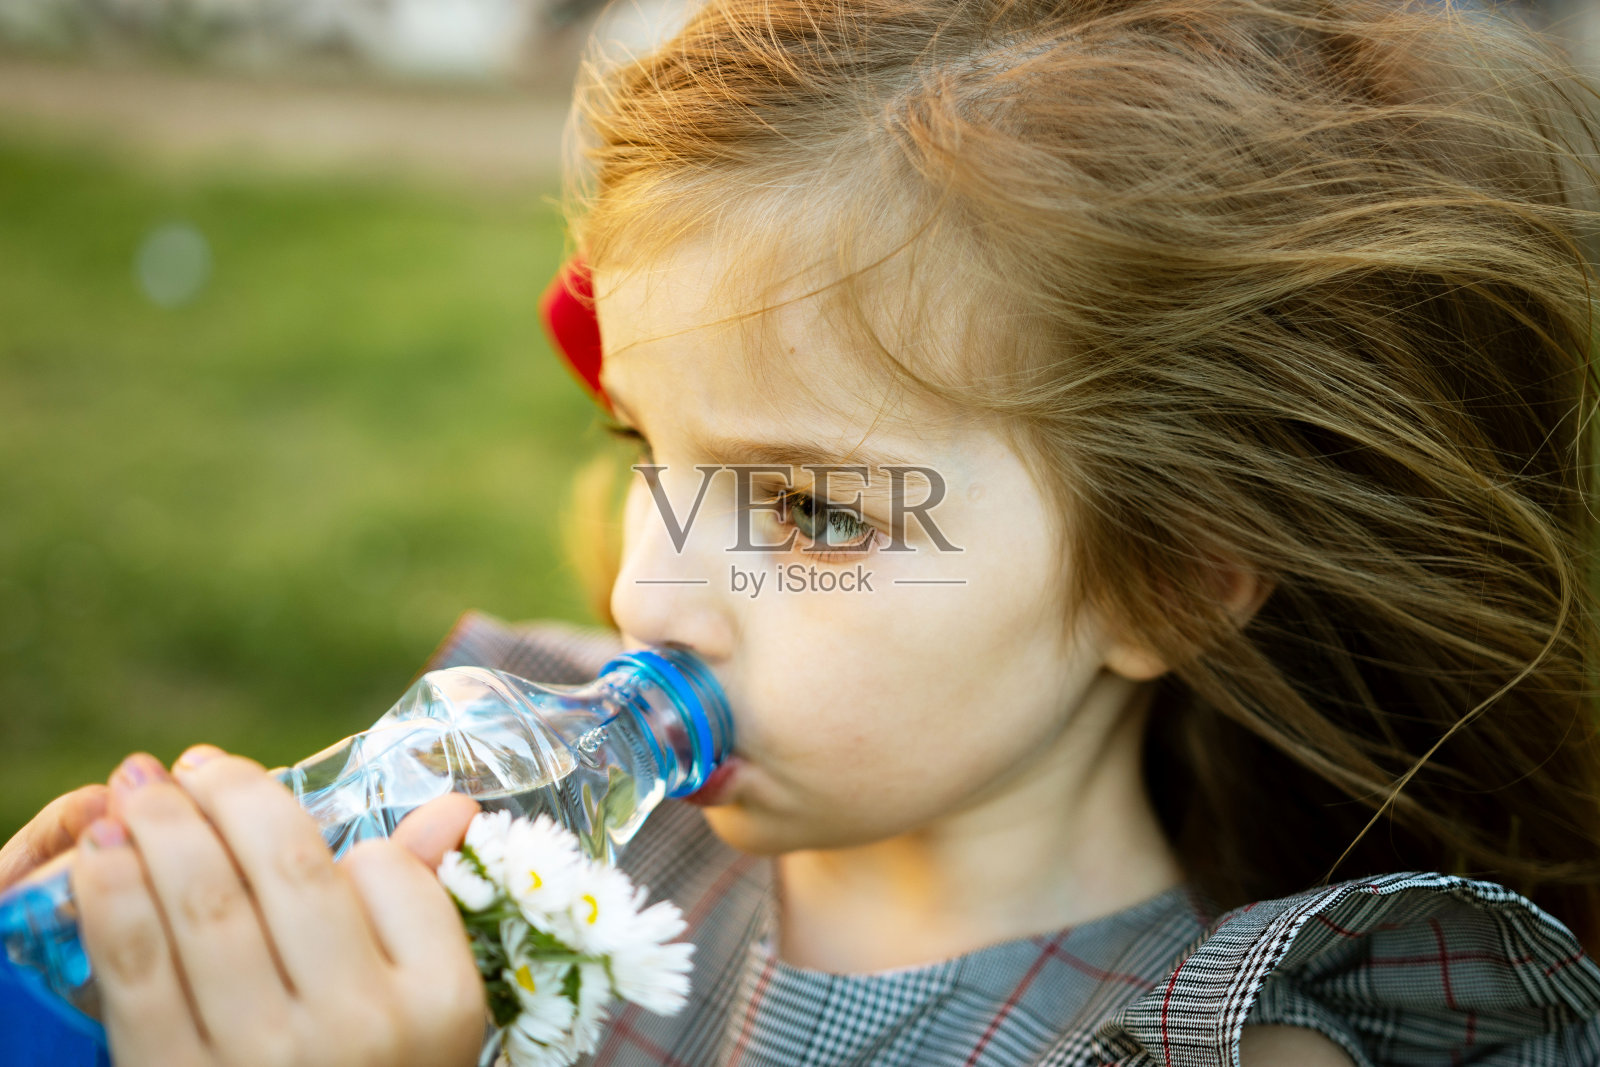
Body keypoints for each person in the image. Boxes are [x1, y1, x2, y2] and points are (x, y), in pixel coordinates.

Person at [7, 0, 1600, 1063]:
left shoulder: (1227, 1039)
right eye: (648, 445)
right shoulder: (527, 828)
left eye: (812, 507)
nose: (649, 586)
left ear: (1168, 573)